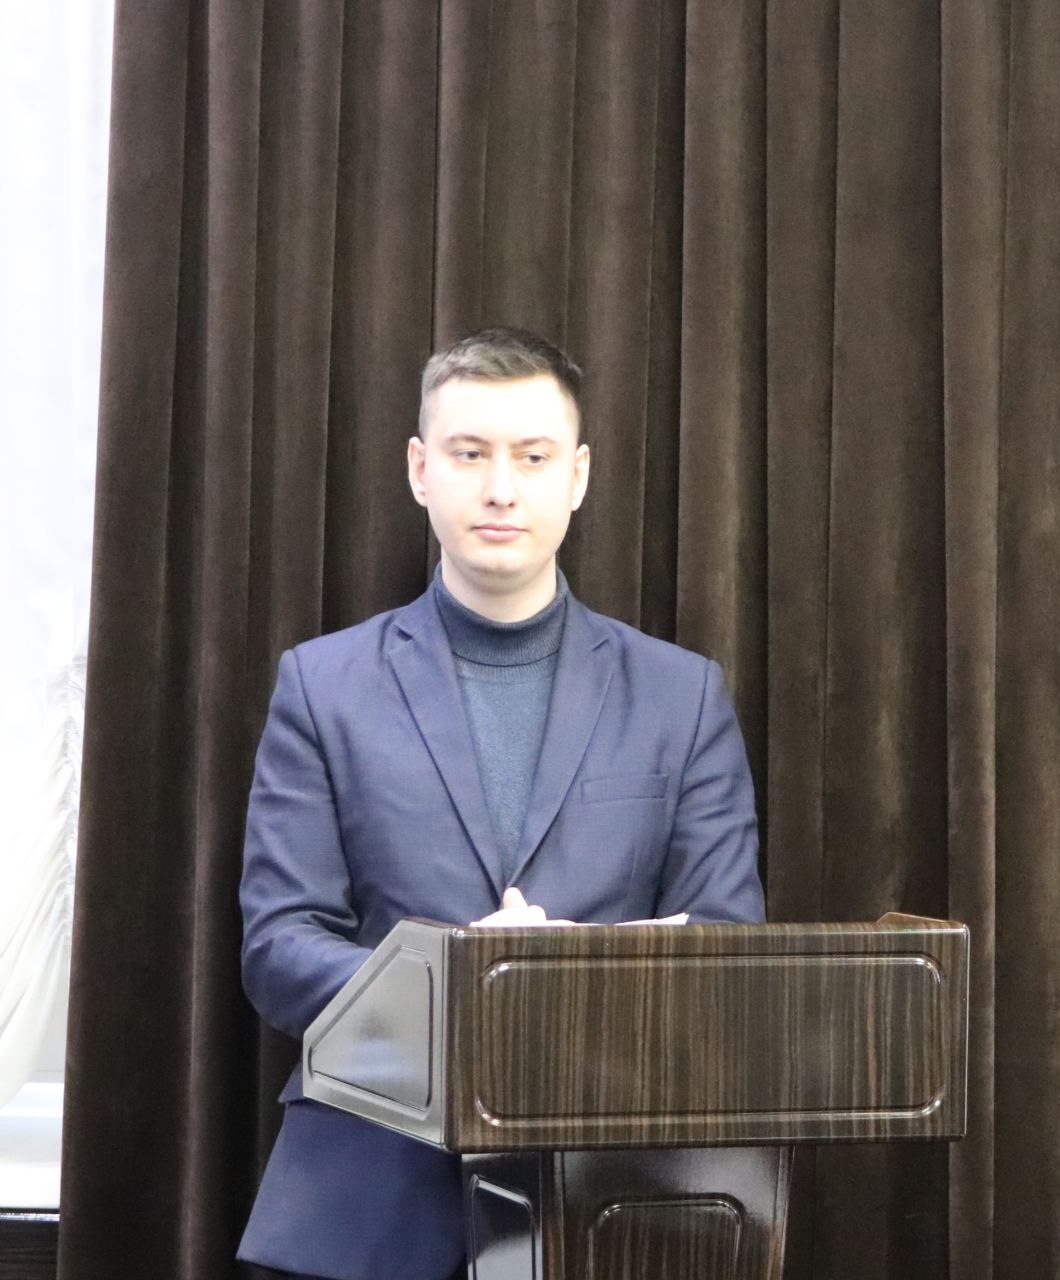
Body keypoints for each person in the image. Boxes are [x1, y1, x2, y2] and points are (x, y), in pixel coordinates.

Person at [236, 328, 766, 1280]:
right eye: (469, 453)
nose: (500, 489)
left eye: (533, 457)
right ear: (420, 470)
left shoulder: (682, 696)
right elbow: (278, 949)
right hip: (365, 1200)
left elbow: (726, 947)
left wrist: (546, 983)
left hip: (614, 1197)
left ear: (579, 476)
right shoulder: (322, 686)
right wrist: (456, 982)